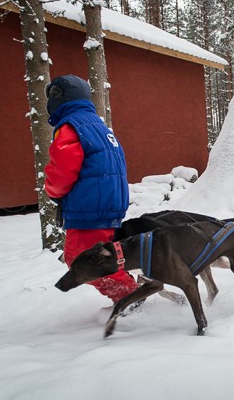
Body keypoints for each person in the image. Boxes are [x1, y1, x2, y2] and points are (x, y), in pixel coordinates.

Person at [44, 74, 139, 303]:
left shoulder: (70, 127)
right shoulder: (98, 125)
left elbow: (63, 171)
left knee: (81, 258)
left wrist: (51, 190)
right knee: (103, 256)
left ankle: (130, 297)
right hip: (108, 202)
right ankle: (130, 294)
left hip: (90, 205)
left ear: (59, 98)